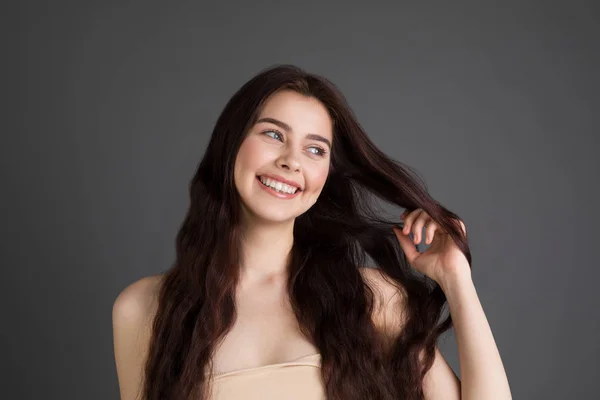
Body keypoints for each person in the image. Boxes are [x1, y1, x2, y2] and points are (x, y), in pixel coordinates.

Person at [112, 64, 512, 400]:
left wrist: (457, 281)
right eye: (273, 134)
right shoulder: (143, 309)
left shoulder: (371, 300)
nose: (291, 161)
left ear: (325, 176)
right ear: (232, 143)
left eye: (315, 149)